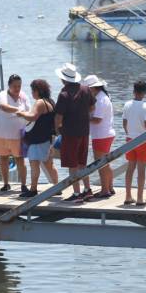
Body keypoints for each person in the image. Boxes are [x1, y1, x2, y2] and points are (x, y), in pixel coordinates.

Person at [54, 63, 95, 202]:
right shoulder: (86, 89)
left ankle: (77, 194)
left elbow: (59, 117)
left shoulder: (64, 94)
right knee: (82, 163)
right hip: (84, 131)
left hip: (70, 133)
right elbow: (92, 107)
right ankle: (87, 190)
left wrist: (57, 130)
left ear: (63, 79)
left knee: (72, 164)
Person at [16, 79, 58, 198]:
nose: (32, 93)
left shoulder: (40, 102)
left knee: (34, 164)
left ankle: (33, 189)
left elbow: (32, 117)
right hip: (47, 138)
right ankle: (57, 187)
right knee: (49, 165)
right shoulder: (50, 102)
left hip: (37, 140)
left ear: (38, 91)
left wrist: (21, 113)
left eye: (33, 90)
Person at [0, 74, 30, 193]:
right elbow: (3, 106)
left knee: (20, 160)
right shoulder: (2, 95)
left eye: (19, 86)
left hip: (18, 135)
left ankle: (24, 184)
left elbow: (29, 111)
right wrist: (18, 110)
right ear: (9, 85)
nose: (17, 88)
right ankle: (6, 183)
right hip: (1, 134)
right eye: (14, 86)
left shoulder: (24, 96)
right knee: (3, 159)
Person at [83, 75, 116, 198]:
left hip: (101, 135)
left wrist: (84, 116)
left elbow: (97, 119)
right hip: (105, 134)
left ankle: (105, 190)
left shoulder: (101, 100)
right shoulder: (102, 96)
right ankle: (110, 187)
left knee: (100, 164)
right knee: (105, 163)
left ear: (93, 88)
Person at [122, 80, 146, 206]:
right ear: (145, 93)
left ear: (134, 91)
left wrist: (129, 133)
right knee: (141, 170)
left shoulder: (127, 104)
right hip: (143, 141)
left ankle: (128, 196)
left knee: (130, 168)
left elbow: (124, 123)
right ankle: (140, 198)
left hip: (130, 140)